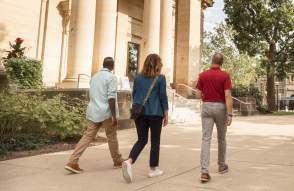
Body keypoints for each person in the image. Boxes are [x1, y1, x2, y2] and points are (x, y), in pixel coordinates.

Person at [64, 57, 124, 174]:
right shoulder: (111, 77)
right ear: (112, 66)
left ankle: (72, 161)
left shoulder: (94, 77)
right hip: (106, 112)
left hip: (93, 111)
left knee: (87, 136)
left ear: (103, 65)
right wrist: (113, 115)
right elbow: (111, 97)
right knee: (111, 136)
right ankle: (117, 161)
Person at [122, 54, 169, 183]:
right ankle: (153, 169)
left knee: (142, 139)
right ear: (157, 64)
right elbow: (163, 97)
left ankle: (129, 160)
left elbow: (135, 94)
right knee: (155, 141)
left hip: (139, 113)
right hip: (155, 113)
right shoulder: (160, 78)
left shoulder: (137, 77)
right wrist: (166, 114)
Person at [195, 53, 233, 183]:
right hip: (221, 107)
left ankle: (204, 171)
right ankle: (221, 166)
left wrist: (205, 97)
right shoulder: (225, 76)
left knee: (206, 138)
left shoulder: (203, 75)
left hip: (206, 106)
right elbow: (227, 95)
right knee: (221, 138)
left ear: (212, 61)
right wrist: (230, 114)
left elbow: (198, 93)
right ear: (221, 63)